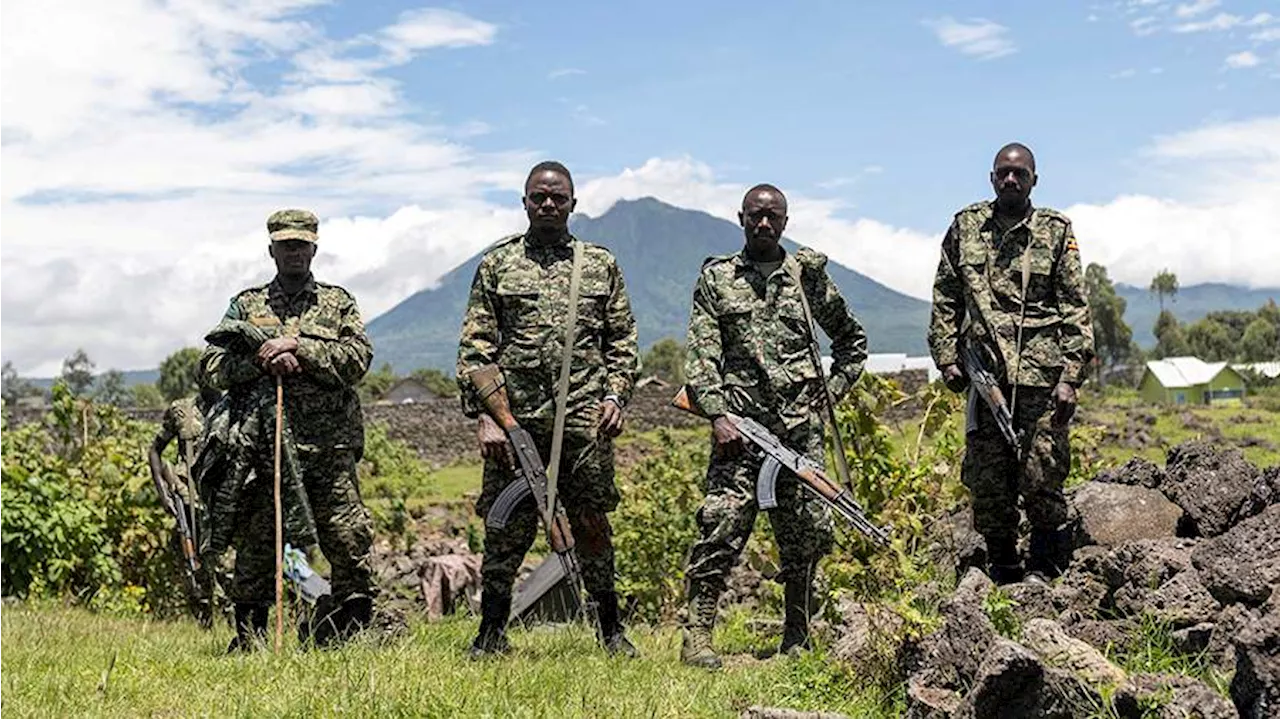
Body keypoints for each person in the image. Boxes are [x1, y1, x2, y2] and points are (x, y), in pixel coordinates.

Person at [679, 184, 868, 669]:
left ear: (786, 221)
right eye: (756, 216)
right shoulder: (717, 279)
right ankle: (697, 637)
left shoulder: (807, 277)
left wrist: (830, 395)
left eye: (774, 217)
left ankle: (797, 635)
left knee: (804, 536)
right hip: (737, 434)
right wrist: (719, 414)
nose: (764, 224)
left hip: (798, 436)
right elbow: (702, 353)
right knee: (719, 528)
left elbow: (852, 340)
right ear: (740, 217)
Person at [456, 160, 640, 658]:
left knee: (592, 524)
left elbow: (623, 342)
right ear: (524, 203)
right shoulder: (497, 265)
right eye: (539, 197)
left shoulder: (599, 265)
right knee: (504, 528)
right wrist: (486, 418)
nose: (548, 205)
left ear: (574, 204)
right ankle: (491, 633)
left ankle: (610, 631)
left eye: (557, 198)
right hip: (512, 423)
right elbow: (475, 349)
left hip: (582, 420)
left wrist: (615, 396)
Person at [198, 208, 378, 651]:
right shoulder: (247, 305)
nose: (293, 252)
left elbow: (358, 360)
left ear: (314, 248)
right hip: (263, 448)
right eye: (285, 245)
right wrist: (260, 359)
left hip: (327, 446)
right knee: (258, 544)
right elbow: (211, 366)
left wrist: (302, 348)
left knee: (347, 537)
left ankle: (352, 631)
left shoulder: (338, 304)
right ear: (271, 250)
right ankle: (250, 639)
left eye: (301, 245)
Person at [928, 142, 1095, 585]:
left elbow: (1076, 306)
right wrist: (947, 359)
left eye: (1019, 174)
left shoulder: (1056, 231)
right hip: (985, 380)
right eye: (1003, 172)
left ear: (1033, 180)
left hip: (1041, 379)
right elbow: (946, 295)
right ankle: (1003, 570)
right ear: (991, 177)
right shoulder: (965, 227)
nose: (1010, 180)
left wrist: (1071, 379)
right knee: (988, 481)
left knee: (1043, 473)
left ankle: (1046, 573)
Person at [146, 383, 230, 627]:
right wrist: (164, 494)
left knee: (229, 567)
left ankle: (238, 628)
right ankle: (204, 625)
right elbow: (155, 450)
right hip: (188, 498)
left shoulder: (235, 406)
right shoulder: (181, 410)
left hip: (224, 498)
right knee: (193, 566)